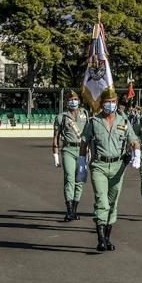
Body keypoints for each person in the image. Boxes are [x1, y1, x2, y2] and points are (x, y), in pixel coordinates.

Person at [78, 87, 140, 252]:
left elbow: (134, 140)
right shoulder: (93, 122)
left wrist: (137, 154)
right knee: (102, 201)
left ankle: (107, 238)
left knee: (113, 203)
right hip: (99, 166)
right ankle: (99, 239)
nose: (110, 105)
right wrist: (82, 166)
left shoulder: (124, 121)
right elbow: (84, 143)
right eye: (107, 102)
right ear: (102, 103)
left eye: (113, 102)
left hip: (118, 167)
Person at [53, 89, 88, 222]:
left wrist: (90, 151)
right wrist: (55, 155)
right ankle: (68, 210)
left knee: (80, 180)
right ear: (67, 102)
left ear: (79, 101)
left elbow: (90, 133)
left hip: (82, 150)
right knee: (69, 178)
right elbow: (55, 137)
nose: (73, 102)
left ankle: (74, 209)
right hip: (68, 149)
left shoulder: (85, 114)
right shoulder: (62, 117)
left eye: (75, 99)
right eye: (70, 100)